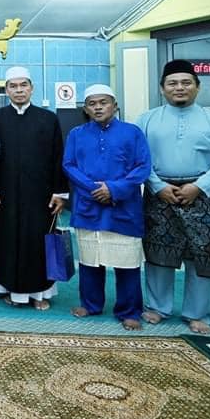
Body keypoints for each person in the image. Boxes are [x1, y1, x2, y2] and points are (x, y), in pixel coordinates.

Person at [136, 59, 210, 335]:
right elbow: (138, 158)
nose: (179, 88)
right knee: (157, 253)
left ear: (197, 87)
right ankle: (157, 307)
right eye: (172, 83)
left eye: (185, 82)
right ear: (162, 88)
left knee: (201, 255)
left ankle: (198, 313)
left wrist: (201, 186)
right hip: (160, 194)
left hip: (202, 195)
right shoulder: (147, 120)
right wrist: (157, 185)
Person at [63, 84, 151, 331]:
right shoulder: (77, 134)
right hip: (88, 204)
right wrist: (94, 188)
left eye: (103, 102)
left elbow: (142, 167)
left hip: (124, 207)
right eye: (92, 103)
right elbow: (68, 165)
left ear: (115, 105)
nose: (98, 107)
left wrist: (113, 189)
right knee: (90, 260)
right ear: (86, 109)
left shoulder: (132, 133)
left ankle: (130, 310)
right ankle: (90, 304)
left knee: (128, 262)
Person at [0, 66, 67, 310]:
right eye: (13, 86)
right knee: (7, 240)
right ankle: (9, 289)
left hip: (40, 195)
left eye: (23, 85)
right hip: (6, 194)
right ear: (6, 90)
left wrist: (60, 192)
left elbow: (58, 157)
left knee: (37, 241)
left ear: (32, 88)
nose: (19, 90)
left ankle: (39, 293)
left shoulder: (48, 118)